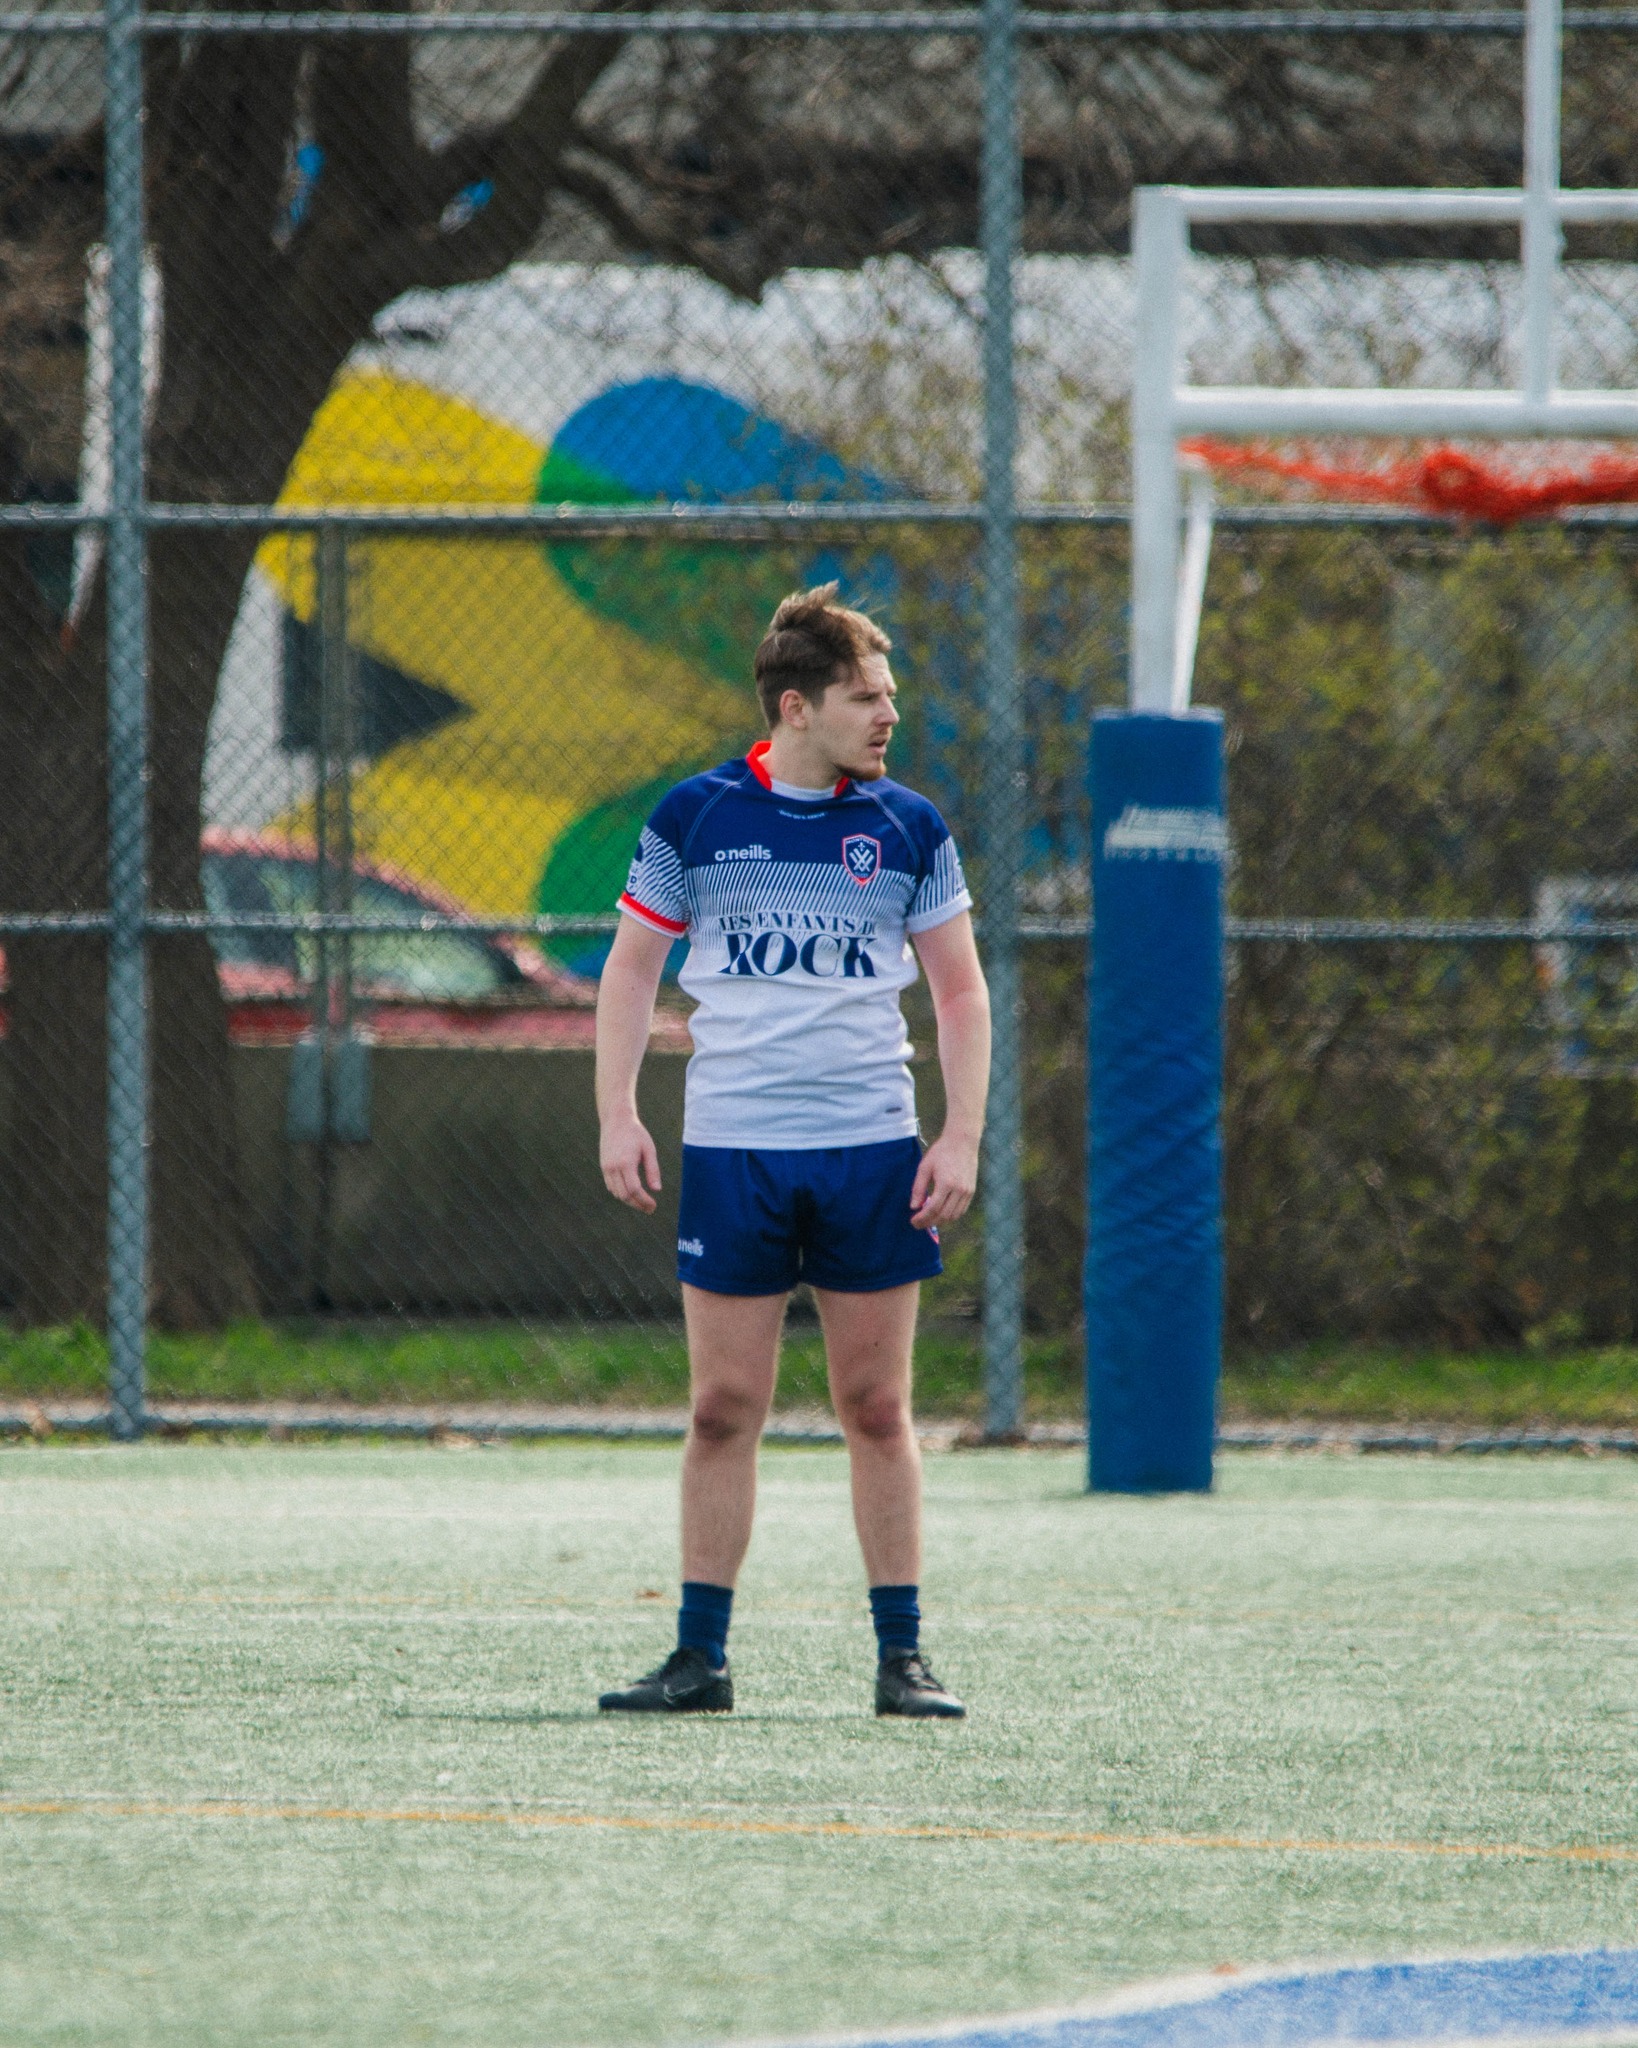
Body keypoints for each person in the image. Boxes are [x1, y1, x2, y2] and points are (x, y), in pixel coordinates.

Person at [593, 584, 991, 1718]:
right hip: (735, 1150)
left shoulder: (908, 826)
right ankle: (699, 1657)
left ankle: (902, 1657)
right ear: (797, 705)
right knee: (723, 1404)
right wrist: (618, 1111)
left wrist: (956, 1135)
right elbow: (630, 970)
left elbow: (961, 994)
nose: (888, 717)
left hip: (872, 1149)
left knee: (876, 1404)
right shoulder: (695, 816)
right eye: (869, 697)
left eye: (891, 698)